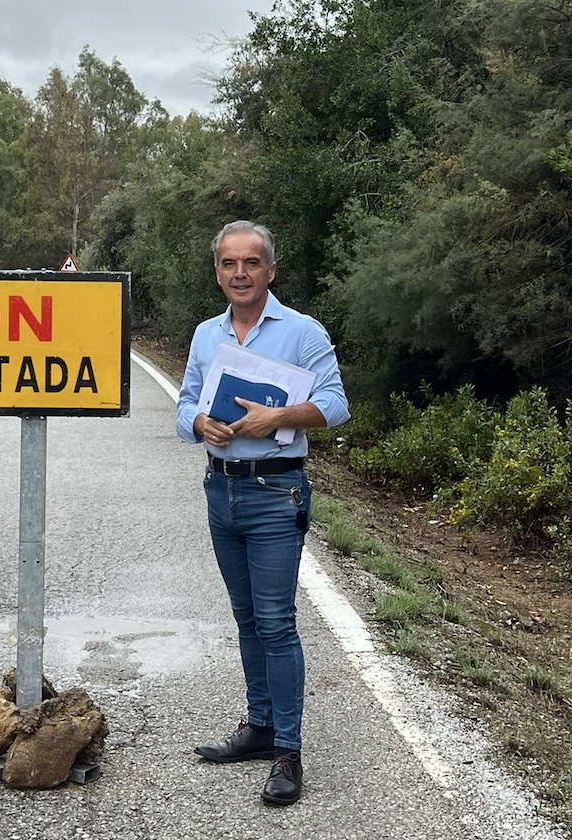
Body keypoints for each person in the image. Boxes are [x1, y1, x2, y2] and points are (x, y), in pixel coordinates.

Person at [176, 220, 349, 806]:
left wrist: (274, 419)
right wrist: (200, 423)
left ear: (270, 271)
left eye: (252, 263)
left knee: (276, 622)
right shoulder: (205, 335)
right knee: (246, 617)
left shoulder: (302, 331)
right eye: (229, 264)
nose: (240, 273)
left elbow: (335, 405)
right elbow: (183, 407)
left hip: (276, 494)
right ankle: (258, 727)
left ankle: (288, 752)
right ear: (218, 271)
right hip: (219, 490)